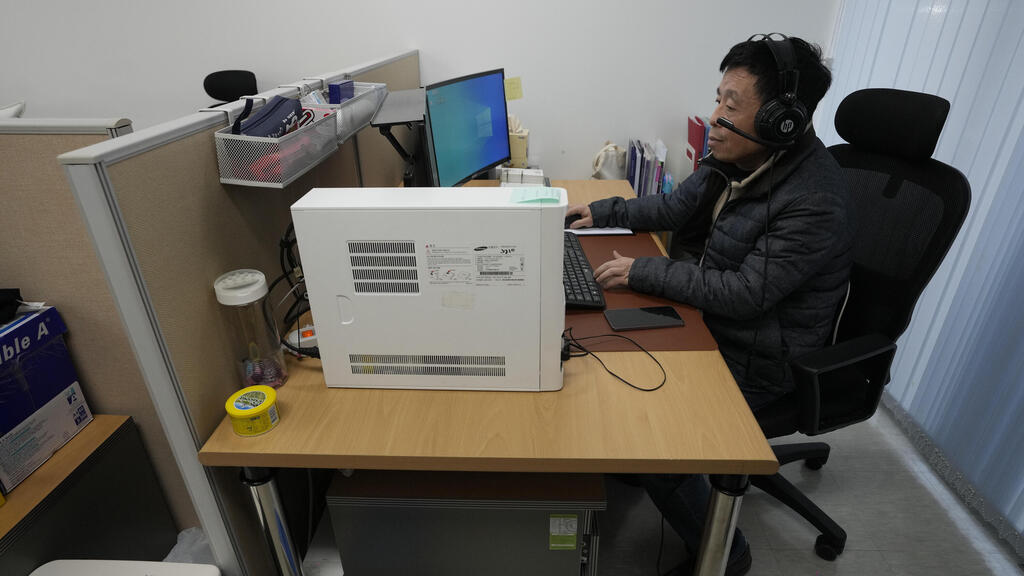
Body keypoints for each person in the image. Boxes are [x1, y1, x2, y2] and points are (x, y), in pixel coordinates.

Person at [566, 34, 851, 575]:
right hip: (718, 325)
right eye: (718, 99)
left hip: (764, 360)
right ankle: (645, 463)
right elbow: (675, 206)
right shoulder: (738, 156)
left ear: (780, 120)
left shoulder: (814, 199)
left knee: (653, 424)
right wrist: (598, 211)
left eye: (731, 105)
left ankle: (727, 550)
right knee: (603, 343)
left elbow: (745, 294)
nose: (716, 117)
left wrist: (643, 269)